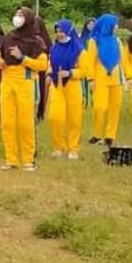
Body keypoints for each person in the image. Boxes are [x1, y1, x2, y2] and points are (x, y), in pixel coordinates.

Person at [0, 6, 49, 171]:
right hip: (7, 81)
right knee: (8, 122)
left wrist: (22, 58)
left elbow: (42, 65)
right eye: (16, 14)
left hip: (26, 81)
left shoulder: (37, 41)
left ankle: (28, 160)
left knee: (26, 123)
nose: (17, 17)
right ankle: (11, 159)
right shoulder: (8, 37)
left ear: (28, 19)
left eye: (21, 15)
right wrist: (0, 62)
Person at [47, 19, 86, 160]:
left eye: (62, 31)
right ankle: (59, 147)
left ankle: (73, 148)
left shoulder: (79, 49)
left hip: (73, 86)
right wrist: (49, 73)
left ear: (69, 32)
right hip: (57, 86)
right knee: (55, 117)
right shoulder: (54, 48)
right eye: (57, 31)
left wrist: (70, 73)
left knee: (74, 119)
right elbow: (50, 63)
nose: (59, 34)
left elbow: (84, 70)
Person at [87, 14, 126, 146]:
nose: (116, 27)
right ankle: (97, 134)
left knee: (115, 108)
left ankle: (110, 135)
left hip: (116, 79)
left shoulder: (117, 40)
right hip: (100, 79)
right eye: (114, 24)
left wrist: (129, 77)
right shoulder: (94, 41)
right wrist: (91, 79)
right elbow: (90, 60)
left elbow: (123, 59)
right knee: (100, 107)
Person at [80, 18, 96, 109]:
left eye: (93, 24)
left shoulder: (97, 36)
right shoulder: (82, 37)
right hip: (84, 62)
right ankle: (85, 101)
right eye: (89, 24)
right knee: (84, 83)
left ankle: (94, 100)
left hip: (93, 63)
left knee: (93, 82)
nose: (91, 26)